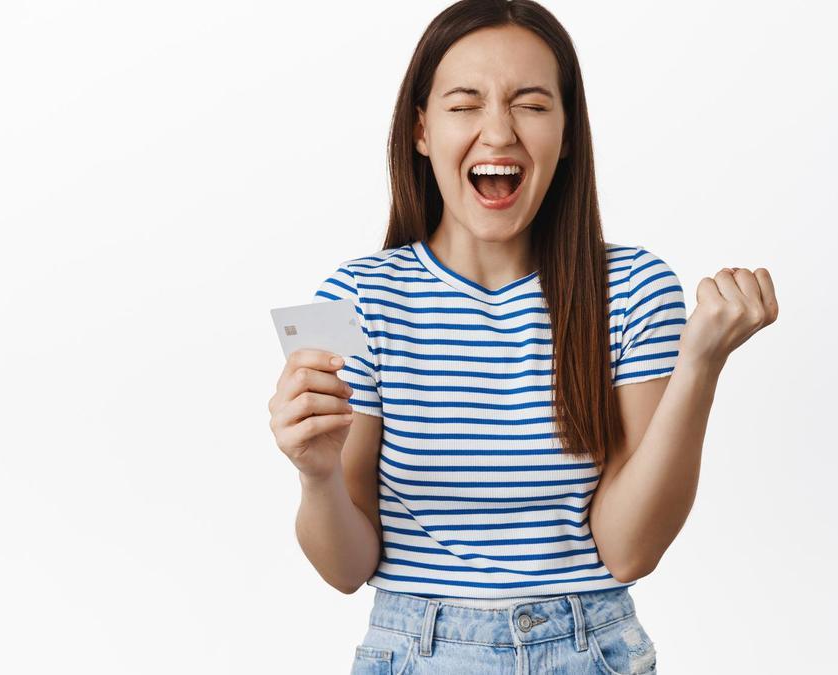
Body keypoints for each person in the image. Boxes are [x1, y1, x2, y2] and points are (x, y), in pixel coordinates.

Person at [267, 1, 778, 672]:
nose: (498, 131)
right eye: (465, 103)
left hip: (590, 649)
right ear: (422, 130)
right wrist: (317, 473)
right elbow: (346, 567)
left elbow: (629, 550)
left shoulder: (632, 288)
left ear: (567, 134)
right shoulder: (358, 299)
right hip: (415, 650)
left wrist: (700, 365)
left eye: (532, 105)